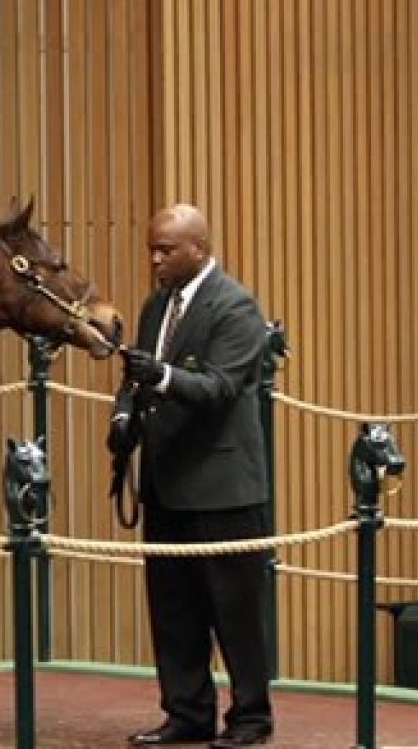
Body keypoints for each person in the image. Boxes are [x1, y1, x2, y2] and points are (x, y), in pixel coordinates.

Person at [119, 204, 273, 749]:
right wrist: (123, 416)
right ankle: (185, 712)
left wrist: (159, 375)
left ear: (198, 250)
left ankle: (251, 718)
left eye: (165, 250)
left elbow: (219, 389)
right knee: (174, 610)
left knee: (235, 613)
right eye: (152, 249)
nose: (155, 260)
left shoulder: (237, 308)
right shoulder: (155, 306)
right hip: (167, 483)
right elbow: (134, 375)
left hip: (223, 489)